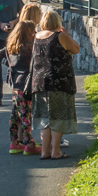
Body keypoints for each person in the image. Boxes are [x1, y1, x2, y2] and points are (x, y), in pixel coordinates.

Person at [0, 3, 42, 155]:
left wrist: (10, 64)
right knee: (26, 115)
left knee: (15, 114)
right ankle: (29, 144)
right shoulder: (30, 47)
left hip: (15, 84)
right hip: (27, 84)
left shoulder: (11, 46)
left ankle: (14, 142)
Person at [31, 9, 80, 160]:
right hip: (59, 83)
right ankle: (56, 151)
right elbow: (76, 49)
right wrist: (65, 33)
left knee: (45, 118)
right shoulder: (60, 36)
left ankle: (45, 151)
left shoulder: (37, 36)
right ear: (57, 22)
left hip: (39, 83)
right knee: (58, 117)